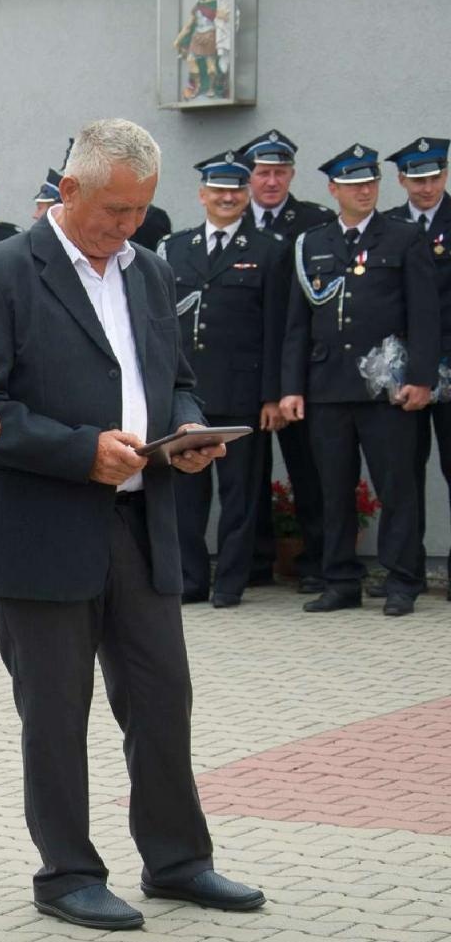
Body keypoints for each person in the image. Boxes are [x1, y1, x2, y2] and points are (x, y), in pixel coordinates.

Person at [0, 118, 265, 931]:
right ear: (72, 188)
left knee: (163, 698)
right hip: (42, 530)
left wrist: (188, 432)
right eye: (114, 211)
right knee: (55, 711)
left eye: (141, 212)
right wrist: (80, 451)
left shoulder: (150, 272)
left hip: (141, 521)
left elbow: (178, 380)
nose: (127, 227)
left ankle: (179, 859)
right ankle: (68, 872)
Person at [278, 143, 437, 618]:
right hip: (328, 387)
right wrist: (292, 386)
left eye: (369, 183)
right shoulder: (314, 242)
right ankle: (340, 579)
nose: (363, 191)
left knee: (397, 487)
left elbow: (424, 315)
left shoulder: (403, 237)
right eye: (352, 185)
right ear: (333, 190)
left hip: (388, 388)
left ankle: (402, 580)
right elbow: (297, 323)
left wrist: (422, 378)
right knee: (333, 488)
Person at [160, 151, 288, 607]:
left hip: (243, 391)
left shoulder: (269, 249)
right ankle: (192, 581)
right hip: (188, 395)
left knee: (241, 496)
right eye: (218, 190)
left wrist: (273, 394)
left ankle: (232, 583)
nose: (227, 197)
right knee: (186, 497)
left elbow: (278, 328)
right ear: (202, 195)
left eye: (235, 190)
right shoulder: (176, 248)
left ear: (246, 193)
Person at [239, 128, 335, 592]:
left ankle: (316, 561)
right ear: (249, 178)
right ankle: (255, 562)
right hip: (246, 372)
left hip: (301, 370)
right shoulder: (234, 219)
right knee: (247, 477)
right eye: (263, 173)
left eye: (280, 173)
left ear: (292, 174)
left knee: (308, 470)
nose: (272, 182)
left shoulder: (314, 222)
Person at [384, 136, 451, 600]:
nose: (426, 187)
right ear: (401, 179)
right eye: (417, 178)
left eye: (435, 177)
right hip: (402, 376)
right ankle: (405, 576)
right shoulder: (386, 227)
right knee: (402, 476)